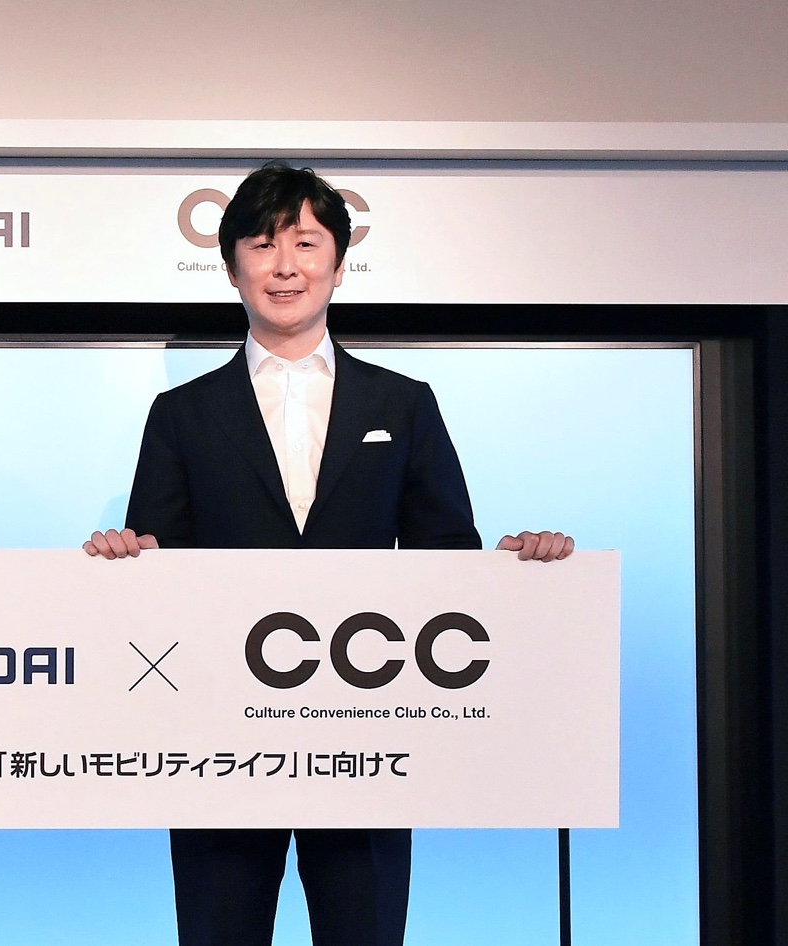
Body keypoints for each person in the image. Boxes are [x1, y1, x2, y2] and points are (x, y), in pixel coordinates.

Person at [84, 162, 572, 946]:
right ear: (232, 268)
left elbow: (448, 559)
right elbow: (158, 573)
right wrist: (122, 558)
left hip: (367, 737)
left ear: (340, 265)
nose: (285, 266)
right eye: (262, 244)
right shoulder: (181, 415)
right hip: (221, 741)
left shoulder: (403, 403)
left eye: (306, 244)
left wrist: (521, 568)